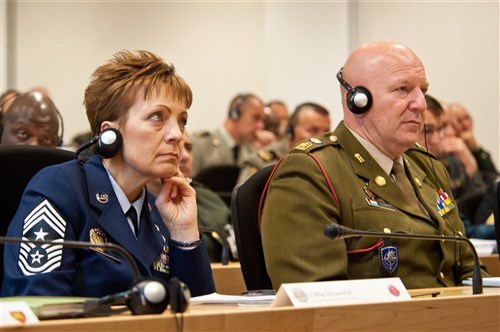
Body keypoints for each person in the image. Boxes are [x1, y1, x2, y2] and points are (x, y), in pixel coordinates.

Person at [260, 41, 489, 290]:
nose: (421, 104)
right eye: (403, 89)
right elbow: (318, 304)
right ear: (358, 99)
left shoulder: (427, 166)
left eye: (422, 90)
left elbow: (468, 269)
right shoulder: (310, 173)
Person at [1, 50, 215, 297]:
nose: (177, 134)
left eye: (182, 121)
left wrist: (184, 230)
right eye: (157, 117)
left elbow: (200, 312)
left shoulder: (159, 212)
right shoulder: (58, 190)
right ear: (109, 134)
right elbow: (39, 303)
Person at [148, 131, 237, 263]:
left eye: (188, 148)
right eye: (174, 147)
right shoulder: (134, 202)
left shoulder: (207, 197)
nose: (184, 156)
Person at [417, 94, 494, 239]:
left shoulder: (441, 165)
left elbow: (455, 220)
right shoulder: (427, 166)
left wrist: (471, 164)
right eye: (428, 131)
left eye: (440, 129)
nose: (437, 138)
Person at [237, 102, 331, 185]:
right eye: (313, 130)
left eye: (326, 131)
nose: (321, 138)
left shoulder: (329, 163)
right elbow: (242, 200)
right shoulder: (262, 163)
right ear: (290, 131)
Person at [190, 93, 270, 176]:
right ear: (235, 115)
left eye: (262, 120)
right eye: (256, 118)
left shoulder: (253, 151)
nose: (261, 125)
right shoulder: (200, 144)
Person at [450, 102, 498, 181]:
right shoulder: (450, 153)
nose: (465, 124)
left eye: (467, 118)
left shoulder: (474, 148)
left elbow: (494, 176)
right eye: (459, 121)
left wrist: (476, 149)